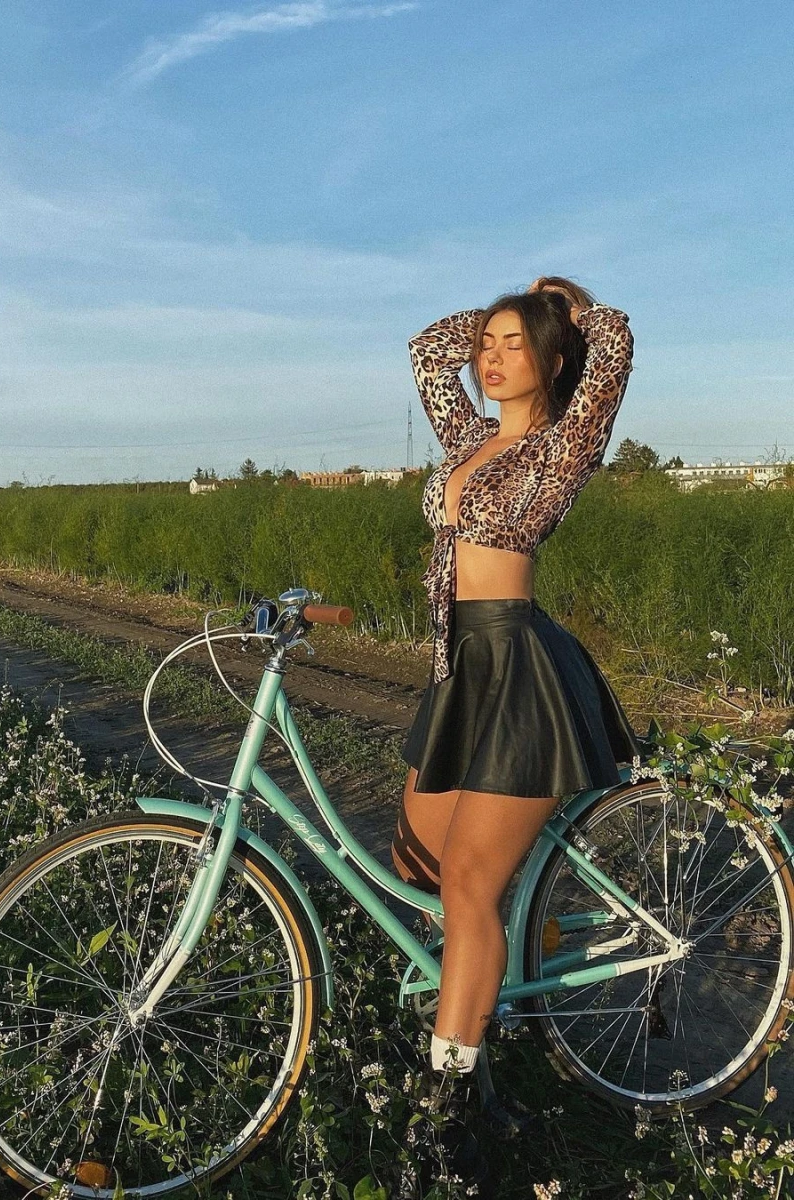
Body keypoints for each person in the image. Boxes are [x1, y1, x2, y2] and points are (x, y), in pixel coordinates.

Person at [390, 276, 641, 1193]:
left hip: (520, 669)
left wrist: (566, 307)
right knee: (418, 866)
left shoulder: (564, 442)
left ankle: (450, 1115)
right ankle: (489, 1009)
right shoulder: (470, 439)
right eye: (487, 346)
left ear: (553, 360)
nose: (491, 358)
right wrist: (501, 315)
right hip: (459, 670)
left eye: (512, 346)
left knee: (467, 884)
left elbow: (614, 348)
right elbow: (427, 350)